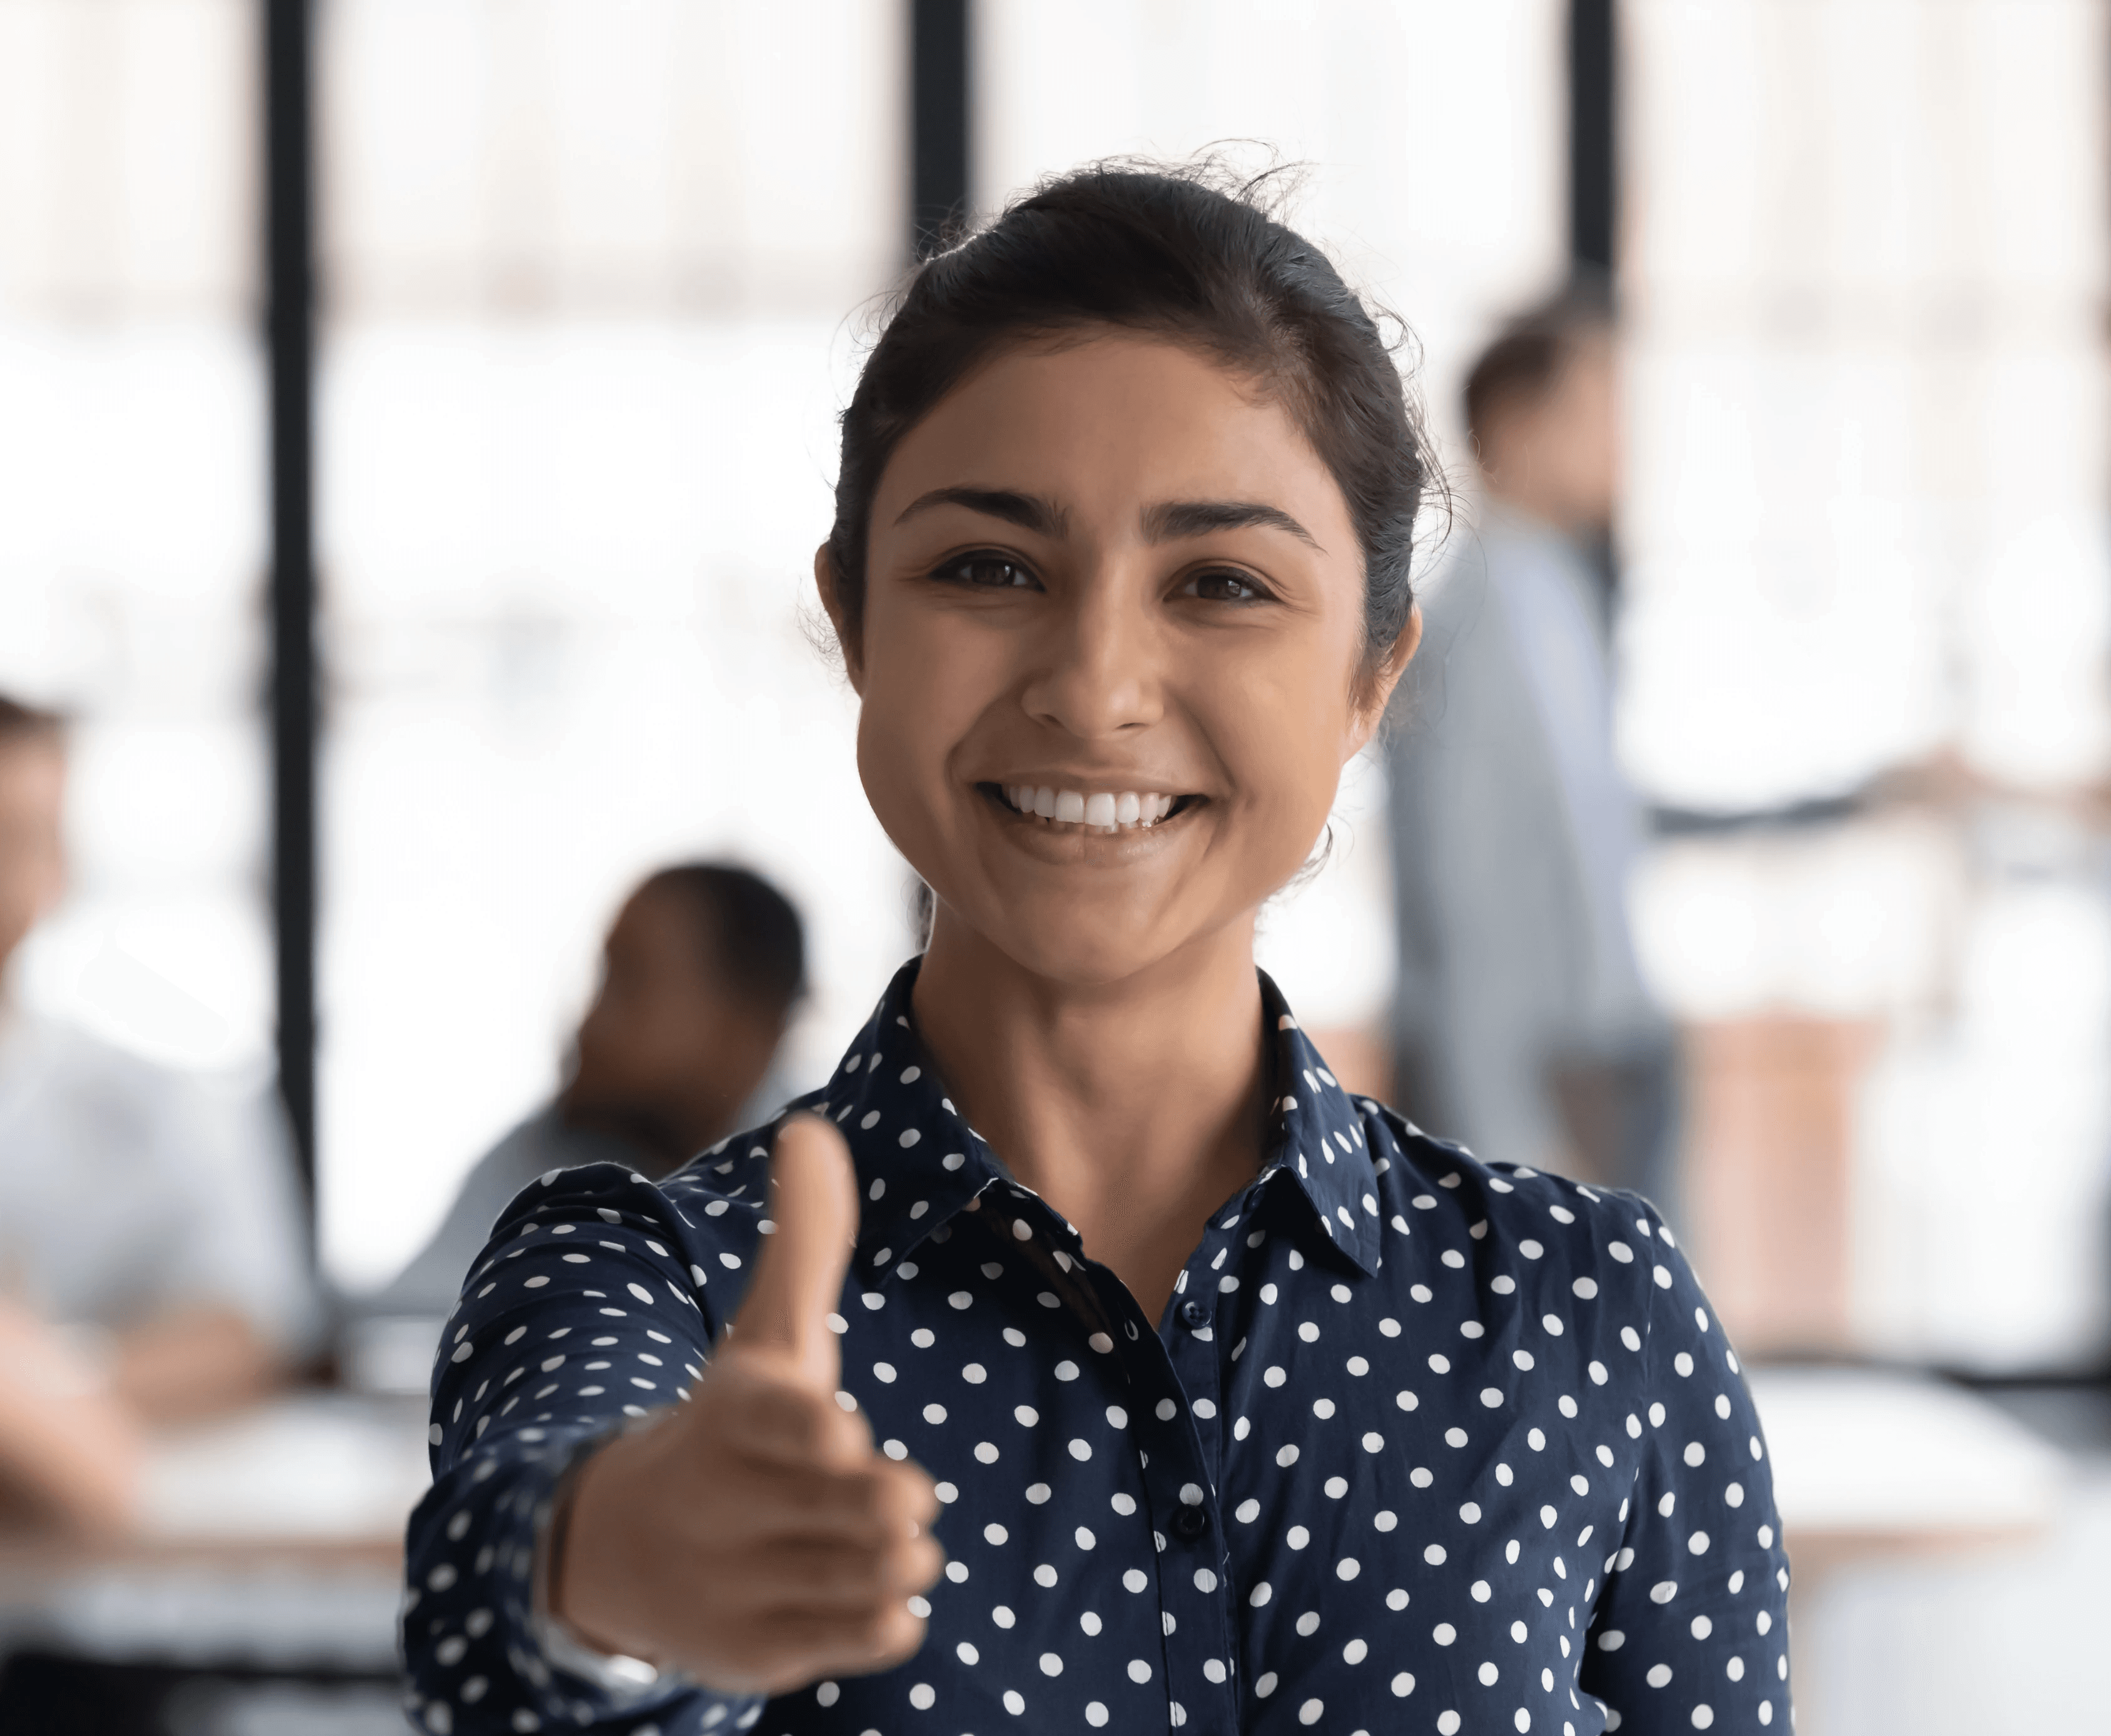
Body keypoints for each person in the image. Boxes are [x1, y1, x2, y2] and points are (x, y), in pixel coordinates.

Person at [403, 166, 1790, 1736]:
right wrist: (620, 1575)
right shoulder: (652, 1280)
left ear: (1372, 677)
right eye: (989, 567)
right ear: (854, 621)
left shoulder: (1589, 1313)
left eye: (1222, 583)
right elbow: (492, 1619)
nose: (1096, 682)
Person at [0, 696, 315, 1533]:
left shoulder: (164, 1097)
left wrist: (41, 1388)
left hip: (96, 1573)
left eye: (14, 840)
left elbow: (251, 1328)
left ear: (59, 863)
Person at [1387, 290, 1673, 1197]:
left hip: (1615, 1047)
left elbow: (1596, 822)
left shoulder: (1570, 601)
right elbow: (1457, 894)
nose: (1622, 443)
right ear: (1515, 424)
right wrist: (1502, 1143)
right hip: (1525, 1077)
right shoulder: (1452, 626)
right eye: (1596, 412)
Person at [373, 863, 806, 1318]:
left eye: (630, 982)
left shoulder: (837, 1197)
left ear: (747, 1026)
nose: (589, 1026)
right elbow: (398, 1327)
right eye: (603, 977)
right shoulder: (539, 1153)